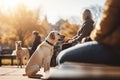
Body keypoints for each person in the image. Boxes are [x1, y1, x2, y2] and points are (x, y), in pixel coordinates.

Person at [57, 0, 120, 66]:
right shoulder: (85, 23)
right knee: (64, 47)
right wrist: (71, 40)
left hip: (114, 48)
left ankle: (73, 75)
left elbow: (104, 27)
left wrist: (89, 38)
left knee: (61, 57)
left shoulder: (88, 23)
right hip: (113, 45)